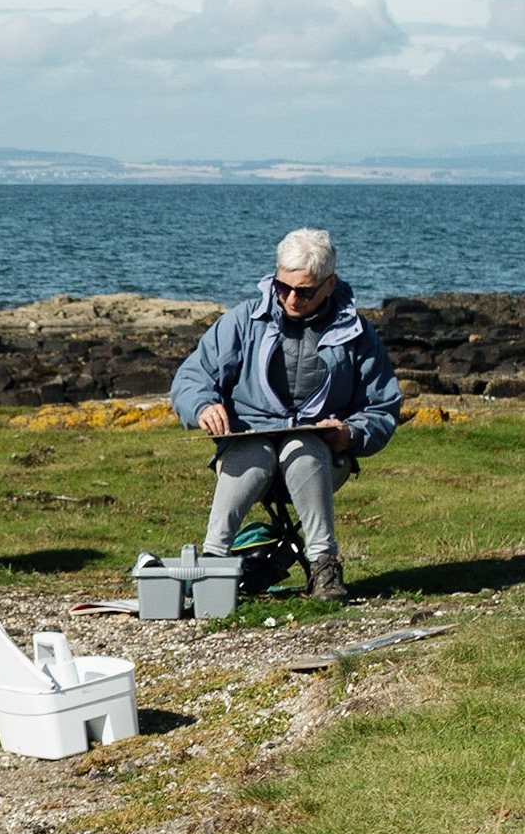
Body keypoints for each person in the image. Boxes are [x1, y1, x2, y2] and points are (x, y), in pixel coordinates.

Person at [170, 228, 402, 600]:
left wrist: (350, 434)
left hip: (323, 458)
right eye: (283, 287)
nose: (292, 298)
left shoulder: (357, 334)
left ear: (330, 285)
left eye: (305, 291)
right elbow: (191, 376)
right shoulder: (243, 320)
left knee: (302, 448)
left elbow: (383, 406)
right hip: (247, 448)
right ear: (275, 275)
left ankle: (325, 567)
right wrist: (203, 405)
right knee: (254, 452)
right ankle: (212, 561)